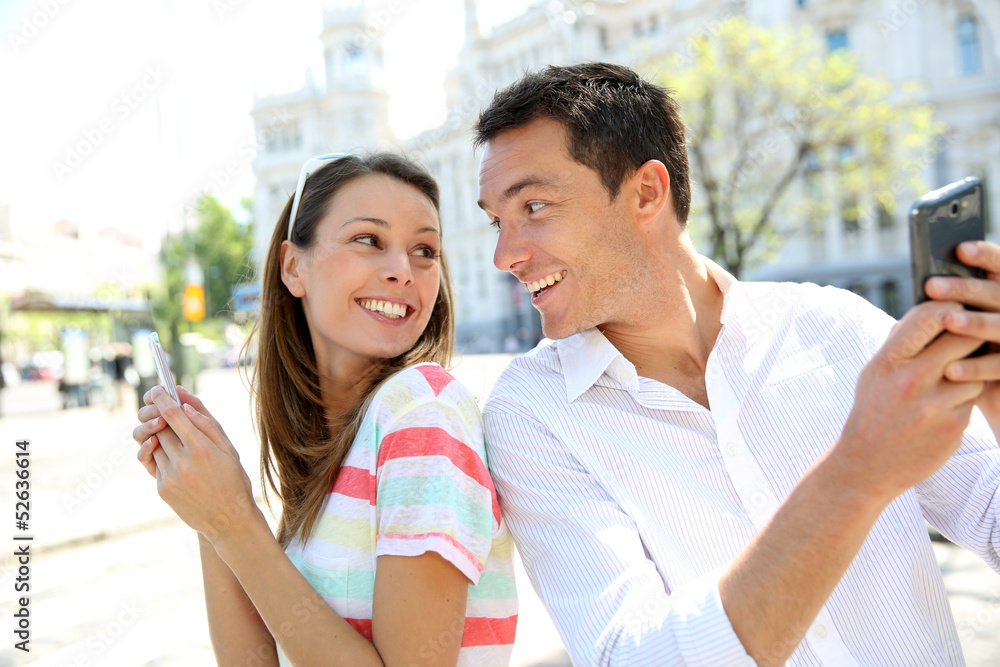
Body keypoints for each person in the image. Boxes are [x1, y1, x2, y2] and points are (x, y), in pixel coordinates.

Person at [474, 62, 1000, 666]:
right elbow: (631, 656)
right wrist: (855, 474)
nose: (504, 254)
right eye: (497, 220)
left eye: (534, 206)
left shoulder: (835, 326)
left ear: (646, 192)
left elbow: (989, 514)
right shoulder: (532, 414)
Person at [132, 153, 517, 666]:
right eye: (368, 240)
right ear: (294, 266)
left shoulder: (422, 410)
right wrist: (210, 511)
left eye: (424, 250)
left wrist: (234, 523)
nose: (403, 271)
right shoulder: (337, 444)